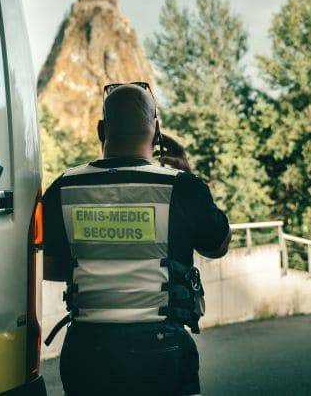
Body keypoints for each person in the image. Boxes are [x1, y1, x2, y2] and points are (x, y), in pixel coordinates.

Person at [42, 82, 231, 396]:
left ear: (102, 129)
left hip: (87, 350)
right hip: (162, 348)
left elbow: (47, 267)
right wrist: (189, 173)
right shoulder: (182, 186)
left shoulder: (64, 187)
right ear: (156, 131)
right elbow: (218, 246)